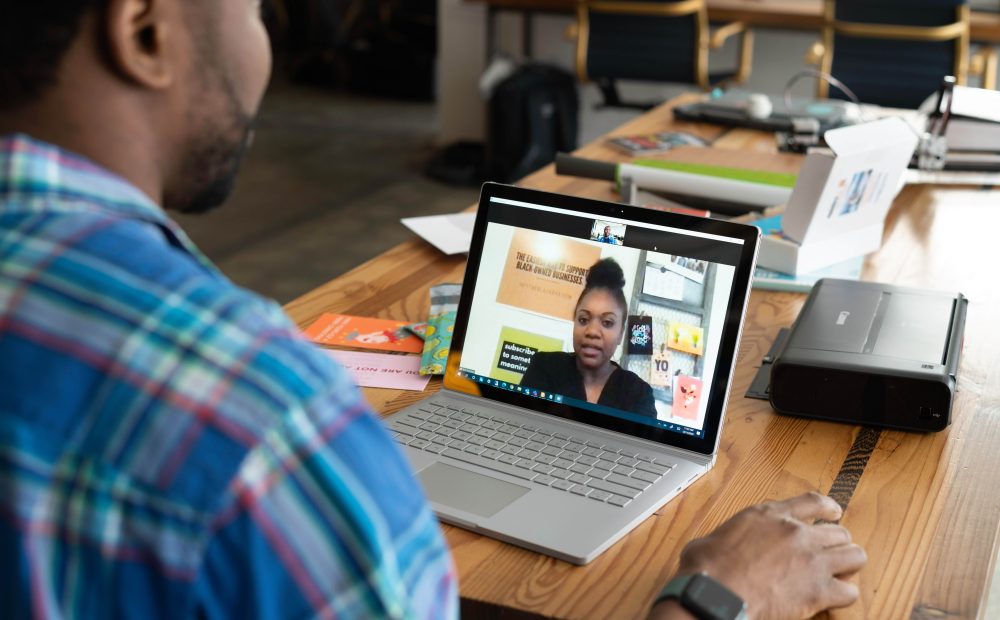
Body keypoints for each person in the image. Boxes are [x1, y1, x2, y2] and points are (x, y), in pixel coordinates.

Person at [0, 2, 865, 618]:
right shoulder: (256, 420)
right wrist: (717, 595)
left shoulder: (635, 393)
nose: (263, 49)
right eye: (257, 9)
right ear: (145, 29)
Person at [521, 258, 657, 418]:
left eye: (607, 322)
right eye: (583, 320)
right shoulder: (544, 368)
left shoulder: (639, 395)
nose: (592, 331)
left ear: (621, 333)